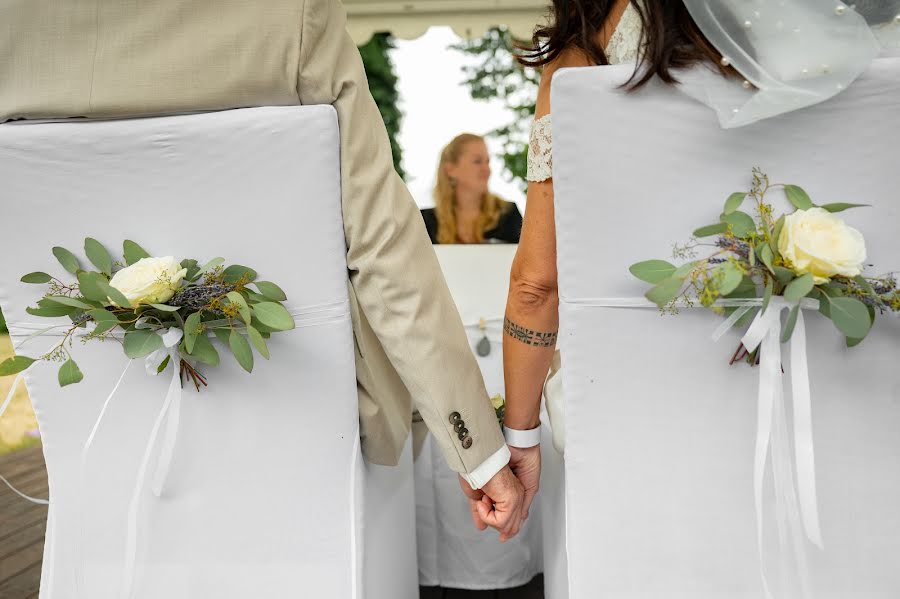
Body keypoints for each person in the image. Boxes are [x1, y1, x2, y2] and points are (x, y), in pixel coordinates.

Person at [0, 0, 526, 539]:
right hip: (314, 421)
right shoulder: (290, 16)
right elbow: (383, 248)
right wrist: (480, 455)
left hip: (95, 420)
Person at [499, 0, 735, 518]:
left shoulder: (581, 58)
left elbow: (538, 283)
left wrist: (519, 435)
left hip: (631, 395)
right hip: (805, 363)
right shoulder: (793, 30)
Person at [421, 133, 522, 244]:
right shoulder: (426, 222)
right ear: (450, 170)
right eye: (477, 161)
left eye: (487, 161)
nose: (487, 169)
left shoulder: (508, 214)